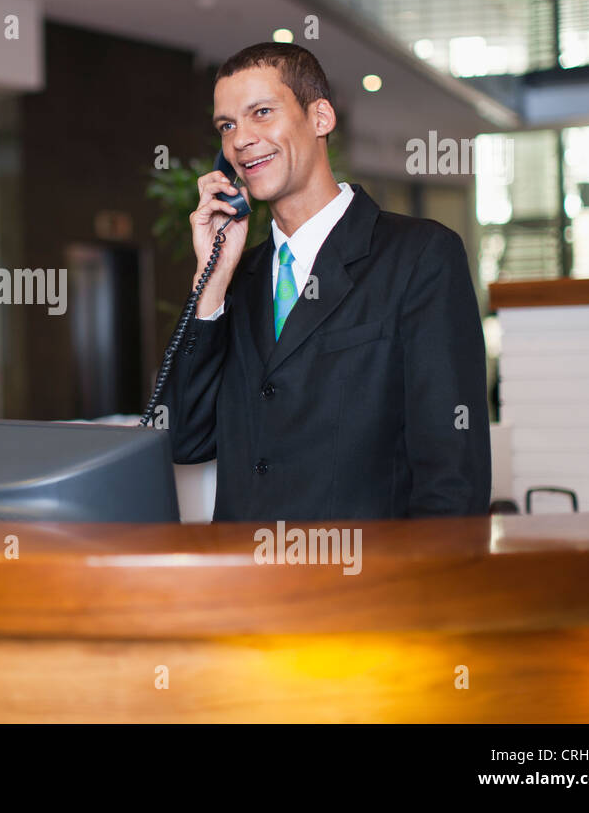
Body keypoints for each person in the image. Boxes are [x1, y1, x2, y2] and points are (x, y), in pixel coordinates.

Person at [162, 42, 491, 521]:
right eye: (227, 125)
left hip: (361, 584)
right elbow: (186, 438)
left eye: (262, 113)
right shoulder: (238, 278)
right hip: (242, 584)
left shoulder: (420, 256)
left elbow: (452, 471)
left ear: (320, 118)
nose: (240, 140)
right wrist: (210, 279)